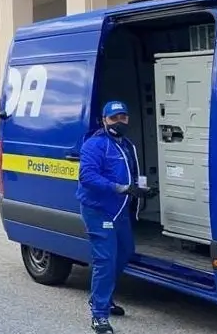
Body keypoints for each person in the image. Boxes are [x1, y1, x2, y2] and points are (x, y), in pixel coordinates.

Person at [76, 100, 154, 334]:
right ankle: (99, 315)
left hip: (119, 212)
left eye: (123, 117)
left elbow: (132, 173)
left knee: (125, 252)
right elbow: (87, 176)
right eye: (114, 118)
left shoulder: (127, 145)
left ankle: (103, 296)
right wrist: (121, 188)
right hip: (99, 210)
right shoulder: (95, 145)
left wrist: (143, 190)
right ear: (104, 120)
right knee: (106, 260)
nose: (119, 122)